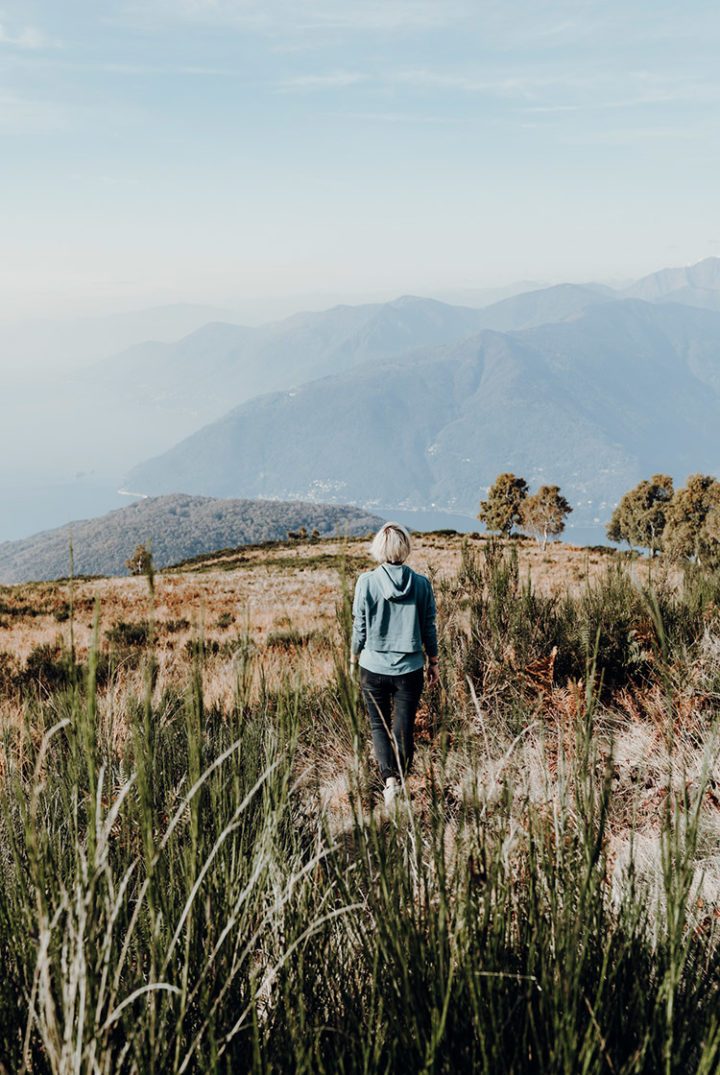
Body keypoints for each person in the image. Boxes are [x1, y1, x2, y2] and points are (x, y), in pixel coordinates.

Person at [350, 522, 439, 807]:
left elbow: (359, 627)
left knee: (379, 726)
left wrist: (353, 657)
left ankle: (389, 783)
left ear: (379, 548)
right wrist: (433, 661)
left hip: (372, 668)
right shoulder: (422, 584)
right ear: (405, 547)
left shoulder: (366, 582)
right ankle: (399, 781)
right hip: (409, 670)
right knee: (404, 728)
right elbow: (429, 627)